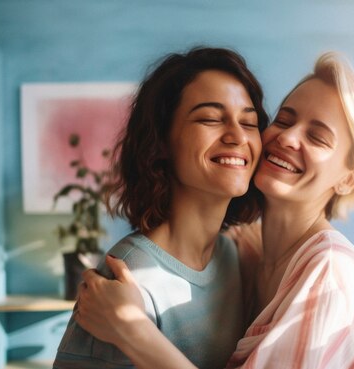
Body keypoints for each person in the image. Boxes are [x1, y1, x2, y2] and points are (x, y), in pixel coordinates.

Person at [75, 51, 354, 368]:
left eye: (318, 138)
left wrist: (133, 330)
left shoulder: (329, 269)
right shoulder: (243, 255)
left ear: (350, 180)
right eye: (283, 120)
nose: (287, 137)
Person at [53, 47, 269, 369]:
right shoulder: (127, 278)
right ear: (162, 141)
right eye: (210, 118)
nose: (238, 136)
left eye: (249, 123)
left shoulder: (231, 255)